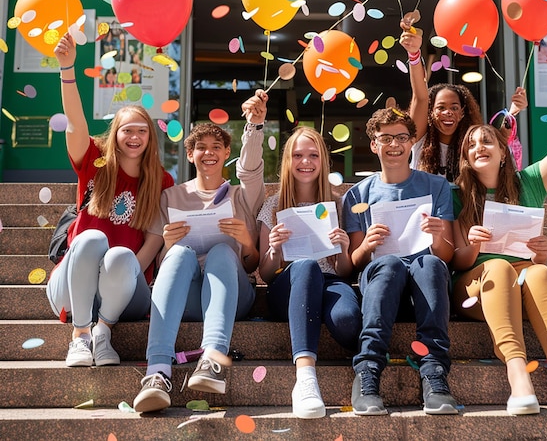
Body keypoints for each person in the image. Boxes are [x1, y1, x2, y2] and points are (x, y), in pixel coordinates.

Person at [451, 49, 547, 417]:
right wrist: (472, 244)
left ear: (503, 151)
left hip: (524, 275)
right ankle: (518, 376)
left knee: (542, 272)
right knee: (497, 267)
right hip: (474, 282)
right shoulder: (455, 195)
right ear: (466, 159)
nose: (479, 146)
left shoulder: (529, 181)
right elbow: (455, 259)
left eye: (487, 141)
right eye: (471, 144)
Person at [132, 90, 268, 413]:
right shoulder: (171, 197)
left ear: (226, 154)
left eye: (216, 148)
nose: (209, 153)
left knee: (223, 250)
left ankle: (213, 359)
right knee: (179, 255)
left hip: (234, 293)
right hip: (191, 296)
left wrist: (245, 241)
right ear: (190, 154)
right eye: (201, 148)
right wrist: (167, 245)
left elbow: (252, 263)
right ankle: (157, 373)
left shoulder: (239, 195)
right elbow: (167, 269)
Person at [48, 32, 174, 368]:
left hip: (123, 289)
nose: (134, 137)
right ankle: (80, 336)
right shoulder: (94, 160)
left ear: (150, 138)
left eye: (142, 131)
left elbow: (153, 244)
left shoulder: (161, 181)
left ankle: (103, 333)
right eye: (126, 130)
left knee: (120, 255)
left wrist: (129, 272)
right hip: (72, 287)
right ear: (115, 135)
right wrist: (67, 69)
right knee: (92, 238)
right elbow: (75, 122)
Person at [343, 107, 459, 416]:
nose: (394, 144)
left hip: (425, 284)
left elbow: (446, 256)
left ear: (412, 142)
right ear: (373, 144)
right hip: (382, 282)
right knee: (392, 264)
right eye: (386, 138)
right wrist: (367, 243)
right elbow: (354, 262)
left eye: (402, 137)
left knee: (432, 264)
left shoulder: (436, 187)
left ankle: (434, 372)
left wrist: (436, 237)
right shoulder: (357, 195)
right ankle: (367, 370)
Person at [257, 126, 361, 419]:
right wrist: (274, 251)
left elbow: (345, 270)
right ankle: (305, 380)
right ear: (288, 161)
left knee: (347, 320)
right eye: (298, 155)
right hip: (289, 287)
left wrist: (342, 248)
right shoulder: (273, 205)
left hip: (330, 282)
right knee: (305, 265)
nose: (306, 161)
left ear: (323, 160)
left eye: (313, 155)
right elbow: (265, 274)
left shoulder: (340, 205)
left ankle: (366, 364)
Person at [399, 16, 527, 181]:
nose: (448, 112)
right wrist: (414, 54)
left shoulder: (473, 146)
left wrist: (513, 113)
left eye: (454, 107)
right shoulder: (420, 140)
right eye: (441, 107)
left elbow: (500, 141)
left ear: (462, 113)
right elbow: (420, 96)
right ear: (430, 112)